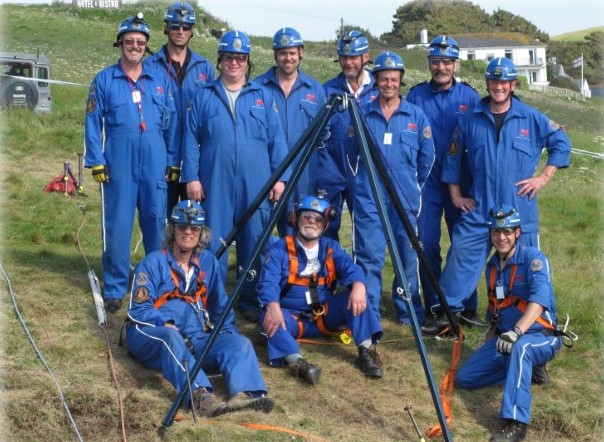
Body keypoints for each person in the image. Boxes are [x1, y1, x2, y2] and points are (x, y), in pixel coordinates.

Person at [424, 57, 572, 334]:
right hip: (481, 210)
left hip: (519, 212)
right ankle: (446, 315)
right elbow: (453, 158)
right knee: (460, 257)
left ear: (513, 85)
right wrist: (455, 196)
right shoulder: (469, 120)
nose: (499, 86)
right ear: (487, 83)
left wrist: (543, 178)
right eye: (494, 81)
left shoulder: (531, 117)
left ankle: (537, 325)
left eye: (504, 82)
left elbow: (561, 142)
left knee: (527, 271)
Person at [126, 200, 275, 417]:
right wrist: (164, 323)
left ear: (201, 232)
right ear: (172, 230)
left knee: (238, 343)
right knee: (171, 338)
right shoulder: (153, 263)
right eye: (182, 227)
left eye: (194, 228)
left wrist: (225, 336)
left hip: (194, 336)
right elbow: (137, 311)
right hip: (150, 333)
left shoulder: (208, 262)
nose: (188, 232)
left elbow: (220, 307)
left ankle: (245, 395)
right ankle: (200, 396)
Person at [181, 30, 290, 323]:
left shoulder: (263, 96)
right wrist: (191, 176)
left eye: (240, 58)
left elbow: (277, 141)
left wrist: (280, 179)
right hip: (214, 179)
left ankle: (250, 298)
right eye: (229, 57)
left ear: (247, 62)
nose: (234, 63)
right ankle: (208, 295)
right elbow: (190, 139)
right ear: (221, 60)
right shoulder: (204, 96)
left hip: (257, 180)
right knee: (212, 237)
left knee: (255, 239)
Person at [84, 13, 179, 313]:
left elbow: (173, 124)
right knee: (119, 226)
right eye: (129, 41)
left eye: (140, 42)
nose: (134, 46)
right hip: (119, 166)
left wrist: (173, 159)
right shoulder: (104, 80)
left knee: (155, 224)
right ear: (120, 44)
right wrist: (96, 160)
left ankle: (156, 282)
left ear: (147, 46)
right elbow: (92, 122)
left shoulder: (162, 81)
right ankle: (115, 287)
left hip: (154, 165)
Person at [455, 205, 561, 442]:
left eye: (507, 232)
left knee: (521, 349)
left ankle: (516, 423)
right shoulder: (492, 267)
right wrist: (492, 333)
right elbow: (496, 306)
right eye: (496, 232)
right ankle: (524, 371)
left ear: (517, 234)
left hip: (540, 336)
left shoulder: (534, 259)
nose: (501, 238)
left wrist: (516, 332)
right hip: (507, 338)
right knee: (464, 379)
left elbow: (540, 301)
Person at [257, 194, 383, 384]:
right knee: (269, 319)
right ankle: (299, 364)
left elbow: (352, 269)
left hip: (324, 315)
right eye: (306, 216)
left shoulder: (331, 248)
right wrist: (272, 307)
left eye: (318, 219)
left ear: (324, 225)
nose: (311, 222)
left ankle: (366, 352)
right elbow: (268, 283)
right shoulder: (279, 250)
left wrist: (358, 286)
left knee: (356, 296)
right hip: (290, 318)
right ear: (296, 219)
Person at [406, 36, 482, 327]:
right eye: (436, 61)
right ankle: (435, 306)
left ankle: (467, 306)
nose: (441, 67)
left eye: (447, 62)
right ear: (429, 64)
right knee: (426, 244)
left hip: (461, 185)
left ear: (455, 64)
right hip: (426, 183)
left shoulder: (470, 97)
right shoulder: (415, 96)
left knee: (464, 244)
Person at [354, 51, 435, 323]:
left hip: (405, 199)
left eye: (394, 79)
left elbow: (427, 158)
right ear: (376, 80)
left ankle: (408, 312)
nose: (389, 84)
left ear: (401, 81)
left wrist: (414, 186)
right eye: (383, 79)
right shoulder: (362, 113)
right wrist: (360, 182)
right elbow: (350, 151)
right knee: (369, 257)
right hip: (369, 199)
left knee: (407, 256)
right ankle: (370, 312)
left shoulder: (416, 116)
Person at [145, 2, 215, 216]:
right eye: (175, 26)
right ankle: (162, 251)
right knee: (160, 216)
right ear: (166, 28)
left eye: (185, 27)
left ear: (192, 31)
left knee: (193, 218)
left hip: (195, 156)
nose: (180, 31)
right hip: (162, 153)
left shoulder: (205, 68)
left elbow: (210, 113)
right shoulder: (150, 66)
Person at [256, 27, 326, 236]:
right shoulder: (258, 87)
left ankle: (295, 269)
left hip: (303, 175)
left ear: (300, 53)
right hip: (267, 172)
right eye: (283, 53)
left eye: (292, 53)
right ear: (275, 55)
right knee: (260, 233)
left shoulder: (315, 90)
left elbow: (324, 134)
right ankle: (263, 270)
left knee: (298, 232)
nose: (288, 58)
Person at [315, 30, 378, 240]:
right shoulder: (326, 90)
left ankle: (360, 273)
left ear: (366, 57)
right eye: (344, 57)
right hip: (331, 167)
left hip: (364, 169)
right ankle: (327, 272)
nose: (348, 62)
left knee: (365, 230)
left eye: (353, 57)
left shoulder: (380, 89)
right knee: (324, 226)